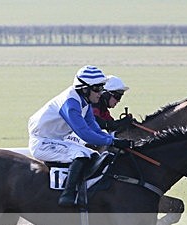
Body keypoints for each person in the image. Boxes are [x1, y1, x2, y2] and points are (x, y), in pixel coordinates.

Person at [28, 65, 133, 207]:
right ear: (84, 88)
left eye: (102, 88)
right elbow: (84, 133)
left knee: (93, 155)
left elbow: (92, 126)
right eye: (97, 88)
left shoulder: (85, 101)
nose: (100, 93)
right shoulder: (70, 103)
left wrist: (111, 139)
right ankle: (67, 195)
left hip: (55, 139)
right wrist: (112, 141)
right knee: (81, 154)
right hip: (42, 143)